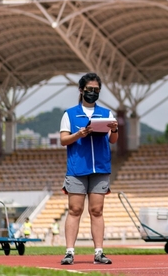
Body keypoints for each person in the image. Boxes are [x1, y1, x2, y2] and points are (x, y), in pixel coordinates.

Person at [59, 73, 119, 266]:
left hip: (100, 167)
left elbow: (112, 140)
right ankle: (69, 252)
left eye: (96, 90)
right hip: (77, 168)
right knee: (75, 209)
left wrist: (115, 130)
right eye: (89, 89)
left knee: (97, 210)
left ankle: (99, 253)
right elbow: (63, 140)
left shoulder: (106, 113)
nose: (92, 93)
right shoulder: (69, 114)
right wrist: (80, 133)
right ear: (81, 90)